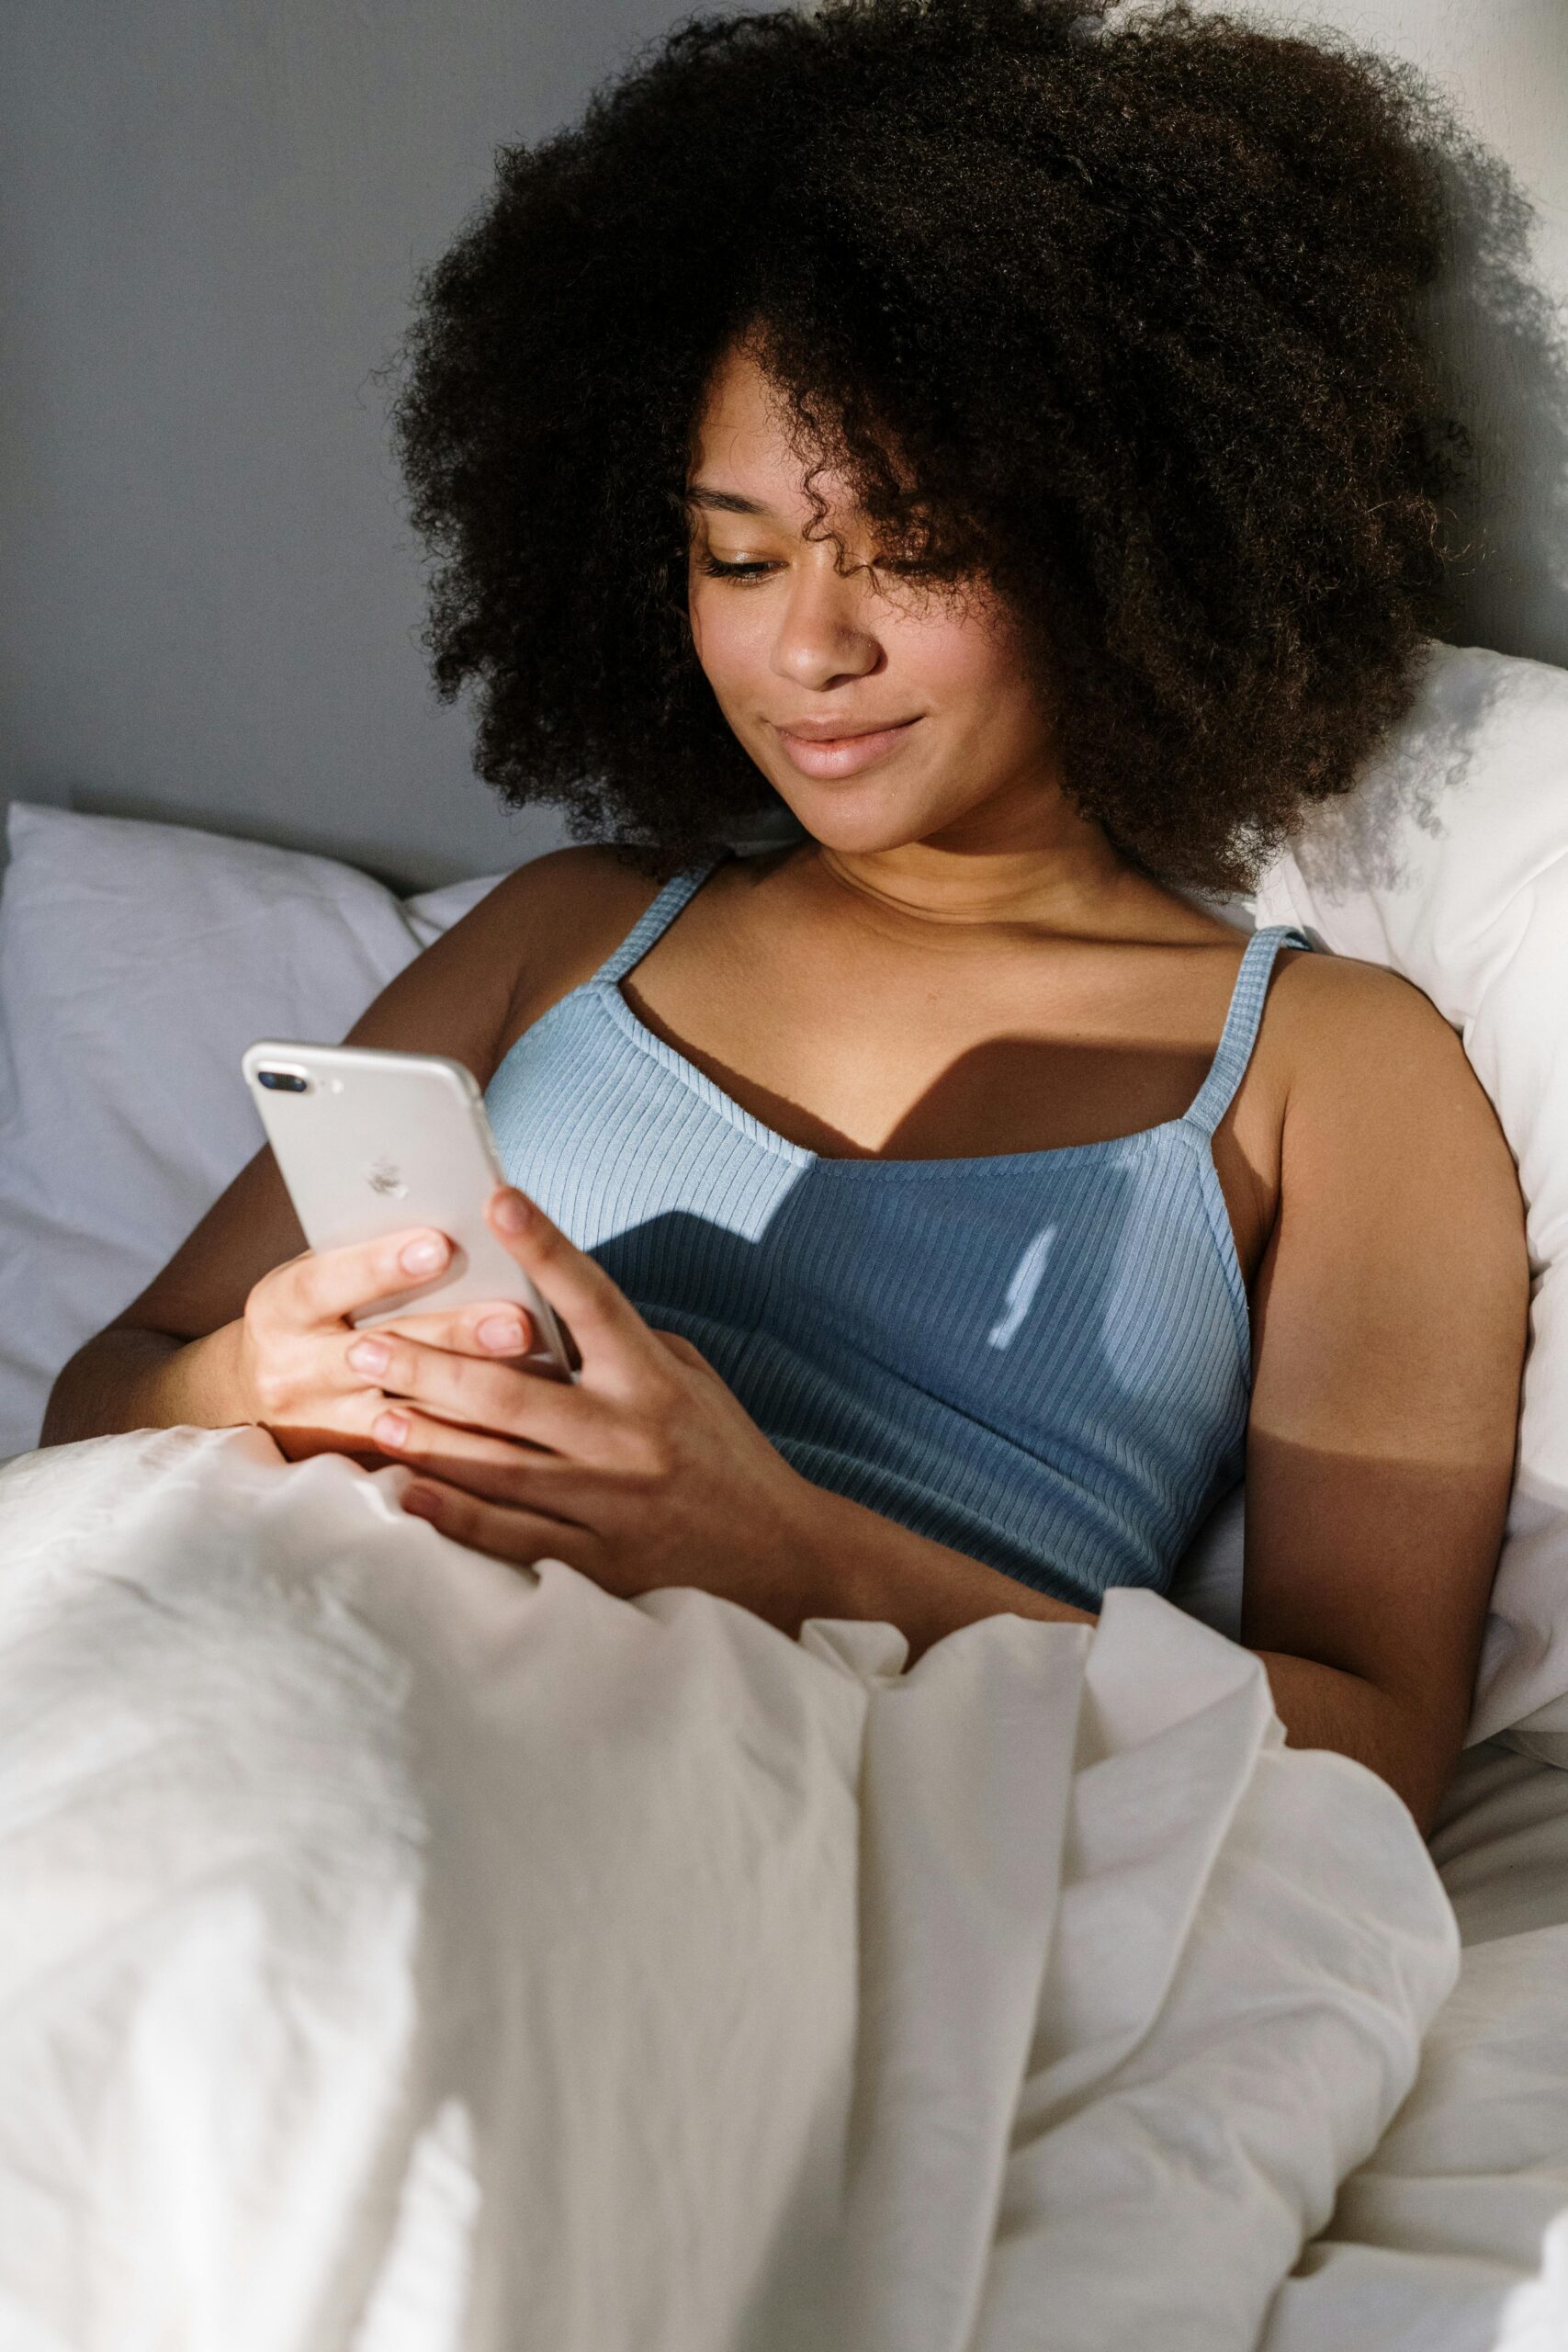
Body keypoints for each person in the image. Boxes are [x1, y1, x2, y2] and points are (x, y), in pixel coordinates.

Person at [44, 0, 1529, 1833]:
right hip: (286, 1660)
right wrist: (257, 1371)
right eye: (737, 555)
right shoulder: (566, 933)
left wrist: (781, 1545)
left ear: (1123, 544)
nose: (808, 647)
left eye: (911, 549)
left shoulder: (1326, 1066)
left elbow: (1368, 1740)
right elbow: (101, 1399)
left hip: (755, 1789)